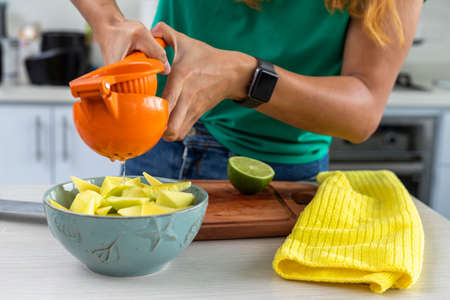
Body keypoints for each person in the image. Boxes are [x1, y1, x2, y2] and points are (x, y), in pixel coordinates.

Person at [71, 0, 423, 180]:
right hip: (156, 143)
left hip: (277, 172)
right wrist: (109, 22)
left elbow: (362, 110)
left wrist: (245, 76)